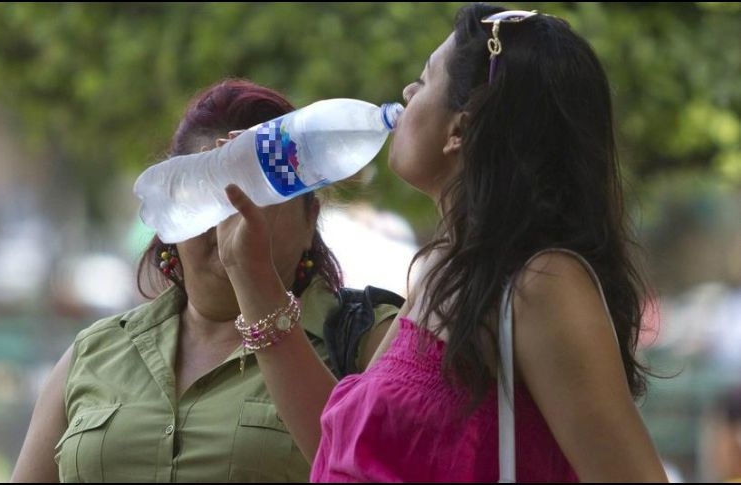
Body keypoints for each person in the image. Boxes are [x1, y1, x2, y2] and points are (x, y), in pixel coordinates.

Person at [221, 4, 669, 482]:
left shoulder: (542, 285)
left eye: (423, 79)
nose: (407, 93)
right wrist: (249, 272)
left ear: (462, 126)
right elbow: (344, 452)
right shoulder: (440, 271)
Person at [10, 79, 401, 483]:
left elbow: (376, 467)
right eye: (206, 190)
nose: (232, 212)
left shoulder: (370, 341)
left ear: (310, 219)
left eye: (259, 192)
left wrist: (254, 278)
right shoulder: (95, 352)